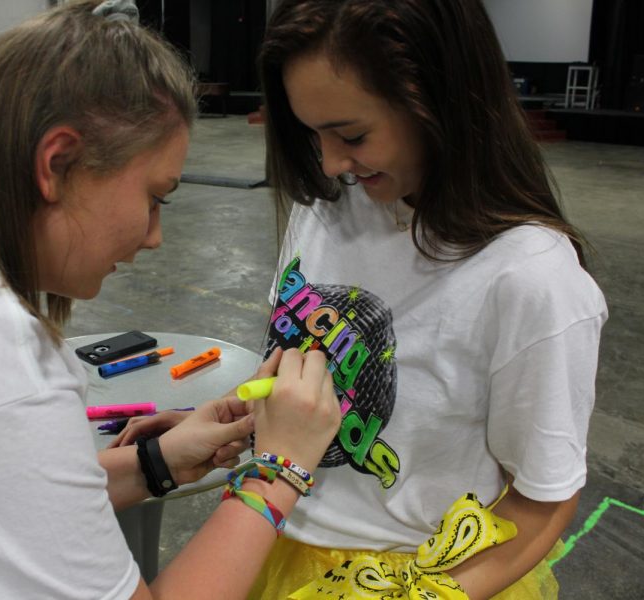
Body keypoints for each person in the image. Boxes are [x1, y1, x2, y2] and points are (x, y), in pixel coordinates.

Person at [0, 2, 340, 599]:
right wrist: (277, 469)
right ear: (57, 163)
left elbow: (0, 491)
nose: (154, 236)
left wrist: (154, 462)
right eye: (155, 196)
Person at [246, 0, 609, 598]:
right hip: (276, 532)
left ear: (438, 99)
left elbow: (545, 498)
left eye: (353, 135)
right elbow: (300, 371)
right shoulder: (327, 206)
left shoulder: (530, 279)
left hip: (415, 576)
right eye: (313, 135)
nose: (333, 164)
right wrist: (234, 422)